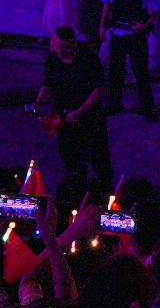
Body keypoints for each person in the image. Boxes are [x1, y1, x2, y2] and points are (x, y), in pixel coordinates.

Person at [31, 25, 111, 188]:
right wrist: (39, 102)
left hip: (90, 117)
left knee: (97, 155)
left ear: (73, 44)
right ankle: (78, 186)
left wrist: (80, 111)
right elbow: (48, 84)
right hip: (64, 117)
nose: (58, 50)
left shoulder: (88, 59)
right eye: (56, 46)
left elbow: (100, 89)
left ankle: (105, 189)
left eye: (62, 47)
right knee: (69, 155)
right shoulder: (52, 59)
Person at [102, 0, 160, 121]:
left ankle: (147, 110)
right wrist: (102, 26)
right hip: (117, 32)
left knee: (141, 73)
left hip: (136, 35)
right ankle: (114, 105)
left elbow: (157, 9)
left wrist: (146, 25)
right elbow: (106, 4)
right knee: (115, 72)